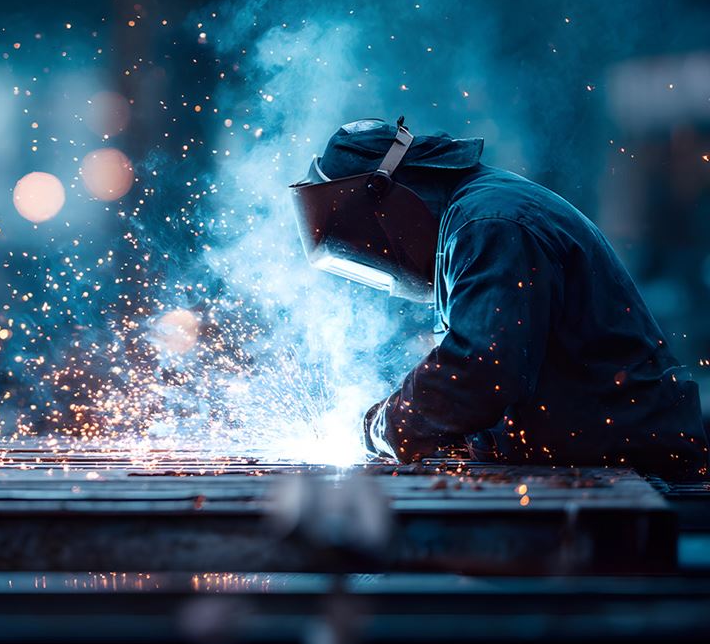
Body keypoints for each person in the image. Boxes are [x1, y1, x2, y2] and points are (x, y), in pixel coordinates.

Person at [290, 117, 708, 479]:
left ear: (386, 194)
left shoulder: (489, 222)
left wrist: (384, 428)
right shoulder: (474, 215)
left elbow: (479, 370)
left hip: (640, 466)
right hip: (602, 456)